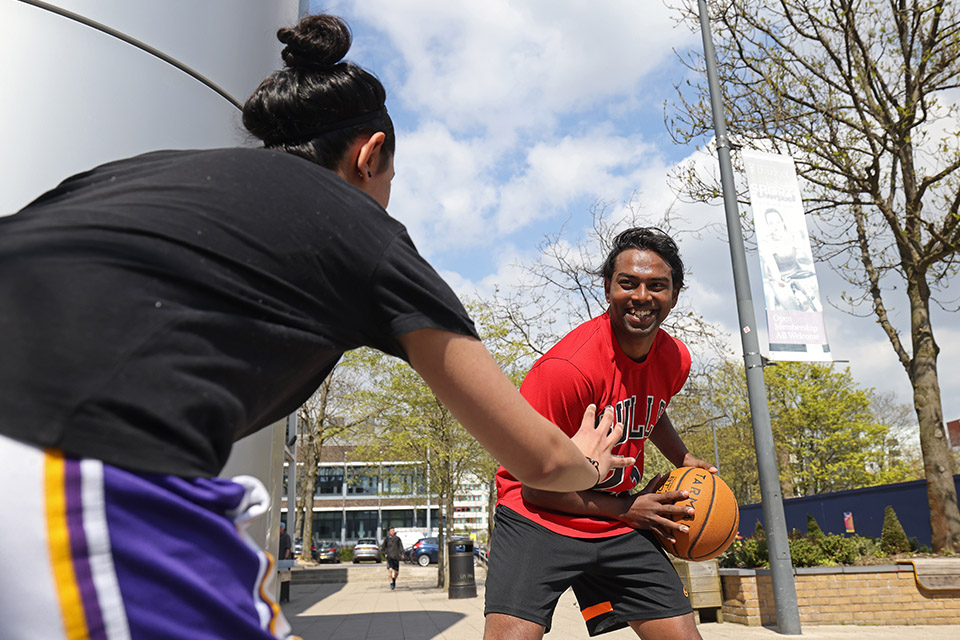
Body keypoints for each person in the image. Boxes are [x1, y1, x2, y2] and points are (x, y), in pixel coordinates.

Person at [0, 14, 631, 640]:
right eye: (390, 179)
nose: (386, 196)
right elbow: (541, 461)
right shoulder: (361, 230)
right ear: (370, 154)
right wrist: (592, 467)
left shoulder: (135, 173)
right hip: (57, 455)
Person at [483, 228, 717, 640]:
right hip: (539, 517)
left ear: (675, 294)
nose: (642, 296)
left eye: (657, 285)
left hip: (616, 516)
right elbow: (536, 487)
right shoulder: (565, 371)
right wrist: (629, 509)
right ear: (608, 287)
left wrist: (682, 457)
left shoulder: (675, 358)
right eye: (628, 283)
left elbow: (651, 406)